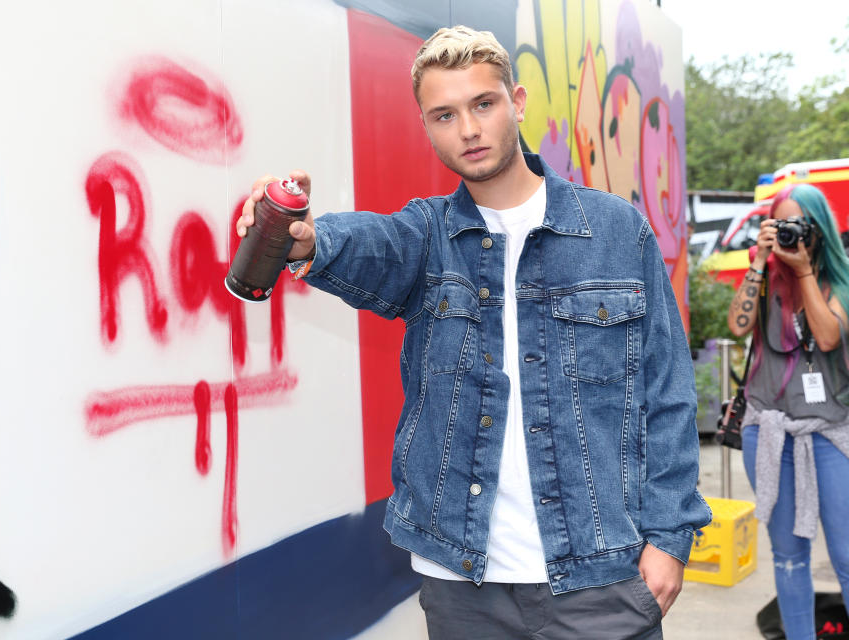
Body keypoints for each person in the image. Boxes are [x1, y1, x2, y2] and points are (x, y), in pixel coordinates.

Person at [237, 25, 710, 639]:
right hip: (465, 588)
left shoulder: (617, 232)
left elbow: (668, 394)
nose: (468, 129)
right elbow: (371, 244)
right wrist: (308, 238)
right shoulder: (427, 235)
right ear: (427, 126)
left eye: (483, 104)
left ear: (515, 102)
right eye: (444, 114)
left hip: (603, 577)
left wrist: (670, 539)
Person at [727, 184, 849, 640]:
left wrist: (802, 273)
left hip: (832, 434)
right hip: (770, 432)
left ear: (819, 230)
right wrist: (759, 261)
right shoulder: (765, 279)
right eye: (781, 224)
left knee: (846, 555)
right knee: (788, 555)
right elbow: (737, 326)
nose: (791, 233)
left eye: (799, 225)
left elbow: (829, 335)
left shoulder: (840, 279)